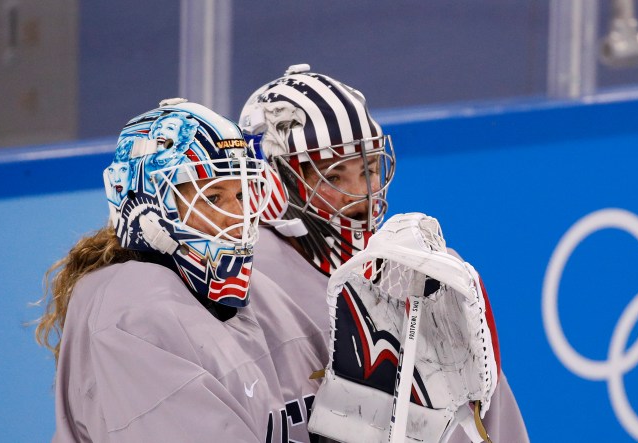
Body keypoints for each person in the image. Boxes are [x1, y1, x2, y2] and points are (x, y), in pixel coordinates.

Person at [239, 64, 528, 442]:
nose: (362, 195)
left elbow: (491, 417)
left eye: (370, 168)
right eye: (336, 175)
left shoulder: (424, 272)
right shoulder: (240, 286)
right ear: (273, 182)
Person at [36, 98, 326, 442]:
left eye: (243, 193)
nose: (239, 217)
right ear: (150, 205)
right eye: (214, 198)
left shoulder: (256, 291)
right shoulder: (132, 318)